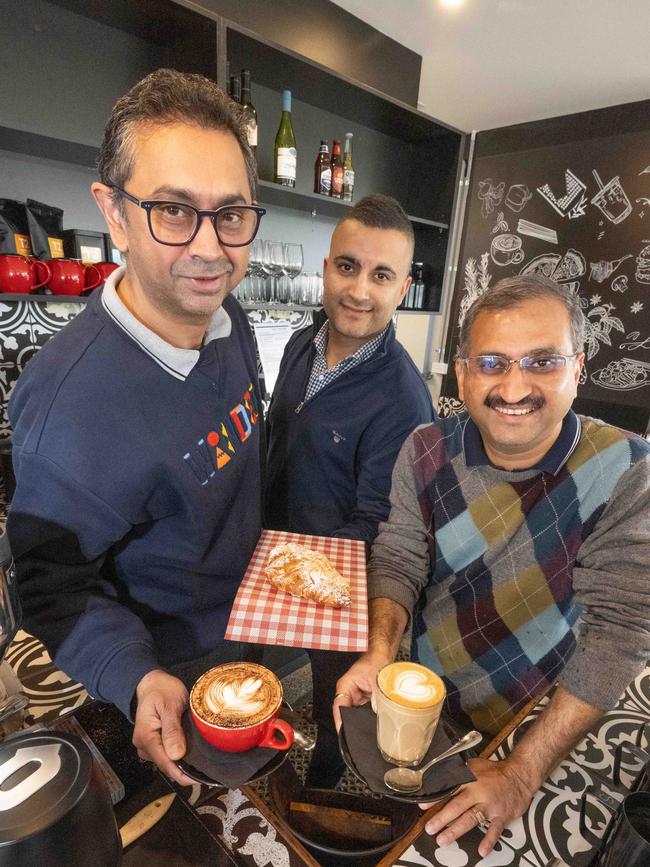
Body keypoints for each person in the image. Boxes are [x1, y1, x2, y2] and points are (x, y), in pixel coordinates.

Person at [7, 69, 266, 786]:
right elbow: (50, 588)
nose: (211, 249)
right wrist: (136, 675)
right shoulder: (71, 405)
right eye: (174, 211)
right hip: (167, 670)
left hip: (251, 627)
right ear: (113, 213)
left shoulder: (227, 315)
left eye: (232, 213)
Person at [334, 275, 650, 854]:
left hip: (544, 719)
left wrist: (524, 771)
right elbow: (400, 557)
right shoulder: (425, 449)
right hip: (424, 695)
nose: (514, 386)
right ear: (462, 374)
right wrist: (379, 653)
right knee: (400, 836)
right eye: (492, 362)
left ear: (577, 368)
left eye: (542, 362)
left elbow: (620, 631)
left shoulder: (628, 469)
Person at [265, 194, 435, 786]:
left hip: (338, 582)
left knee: (335, 695)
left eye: (381, 275)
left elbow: (381, 523)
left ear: (403, 286)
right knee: (256, 677)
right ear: (325, 266)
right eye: (347, 266)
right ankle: (262, 751)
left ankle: (325, 782)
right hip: (271, 559)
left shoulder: (404, 398)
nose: (359, 290)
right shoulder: (299, 344)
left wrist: (300, 572)